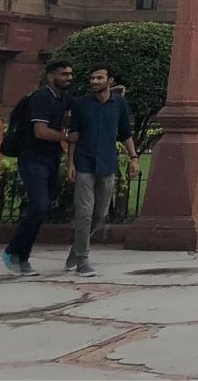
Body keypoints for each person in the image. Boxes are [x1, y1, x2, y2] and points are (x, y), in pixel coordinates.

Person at [2, 59, 72, 277]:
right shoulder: (42, 98)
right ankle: (13, 252)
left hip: (50, 158)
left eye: (70, 74)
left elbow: (82, 105)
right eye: (64, 74)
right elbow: (40, 132)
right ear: (51, 76)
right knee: (39, 205)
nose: (68, 78)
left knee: (41, 207)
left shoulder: (62, 99)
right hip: (32, 158)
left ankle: (22, 256)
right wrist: (68, 137)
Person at [65, 65, 137, 276]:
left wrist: (134, 158)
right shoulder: (81, 105)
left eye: (99, 78)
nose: (94, 81)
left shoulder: (119, 105)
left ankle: (77, 247)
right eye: (92, 78)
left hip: (107, 163)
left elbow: (125, 133)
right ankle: (82, 260)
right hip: (84, 162)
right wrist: (70, 164)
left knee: (100, 214)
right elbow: (73, 136)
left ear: (110, 80)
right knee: (85, 213)